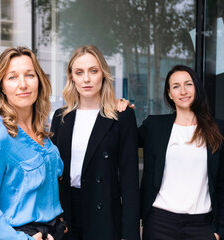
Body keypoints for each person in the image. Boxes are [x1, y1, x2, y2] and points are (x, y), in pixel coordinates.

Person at [0, 47, 66, 240]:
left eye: (30, 75)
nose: (23, 84)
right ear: (1, 86)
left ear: (39, 81)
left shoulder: (42, 133)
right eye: (12, 77)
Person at [50, 45, 140, 240]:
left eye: (93, 71)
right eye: (79, 72)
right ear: (72, 77)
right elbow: (53, 173)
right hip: (66, 212)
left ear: (103, 74)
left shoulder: (121, 116)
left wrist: (130, 234)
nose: (87, 79)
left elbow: (129, 180)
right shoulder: (61, 117)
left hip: (104, 210)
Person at [139, 65, 224, 240]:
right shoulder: (154, 126)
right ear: (169, 94)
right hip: (160, 223)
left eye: (188, 84)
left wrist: (219, 230)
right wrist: (118, 108)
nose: (183, 91)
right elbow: (123, 140)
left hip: (202, 226)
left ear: (196, 87)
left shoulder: (219, 128)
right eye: (176, 86)